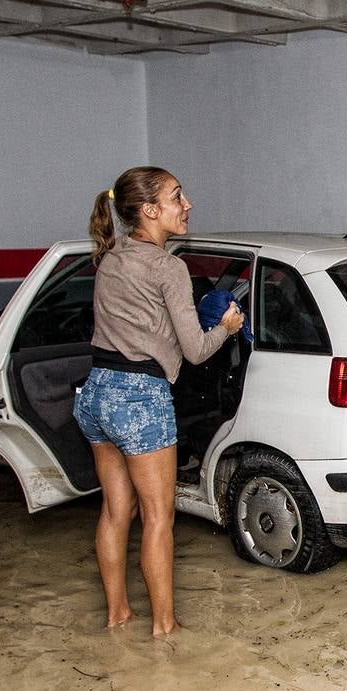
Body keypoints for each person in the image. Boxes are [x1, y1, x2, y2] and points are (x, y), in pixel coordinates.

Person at [74, 166, 244, 635]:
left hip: (97, 394)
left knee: (115, 511)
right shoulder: (169, 266)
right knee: (158, 519)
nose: (187, 204)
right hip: (140, 400)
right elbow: (194, 351)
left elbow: (140, 325)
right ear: (150, 210)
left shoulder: (110, 257)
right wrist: (226, 329)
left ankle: (117, 614)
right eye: (176, 197)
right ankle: (164, 627)